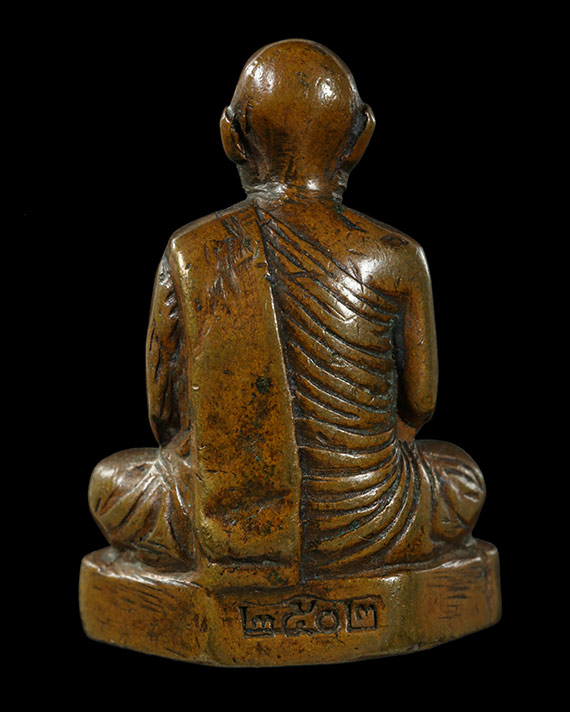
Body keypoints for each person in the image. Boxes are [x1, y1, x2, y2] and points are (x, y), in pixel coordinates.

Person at [88, 39, 485, 580]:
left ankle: (246, 555)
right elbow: (419, 407)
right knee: (461, 480)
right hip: (376, 521)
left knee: (112, 486)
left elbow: (165, 416)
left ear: (230, 136)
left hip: (219, 518)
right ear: (361, 138)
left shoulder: (192, 250)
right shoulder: (396, 257)